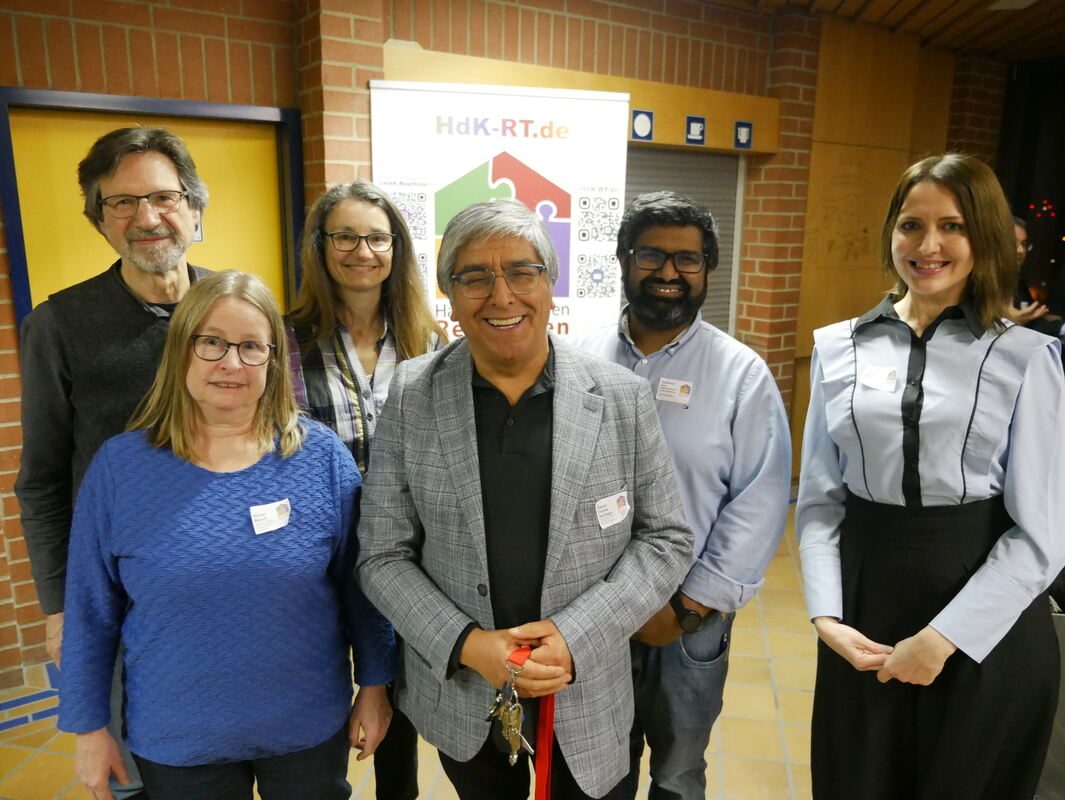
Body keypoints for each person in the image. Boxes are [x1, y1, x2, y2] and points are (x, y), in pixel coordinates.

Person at [356, 199, 694, 799]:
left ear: (550, 284)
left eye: (522, 272)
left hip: (586, 697)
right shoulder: (413, 394)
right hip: (465, 697)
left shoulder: (621, 396)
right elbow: (382, 555)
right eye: (475, 277)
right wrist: (467, 644)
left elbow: (666, 539)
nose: (502, 295)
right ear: (449, 295)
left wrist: (575, 635)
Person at [57, 271, 396, 800]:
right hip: (177, 734)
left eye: (251, 347)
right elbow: (88, 613)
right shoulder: (120, 470)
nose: (231, 363)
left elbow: (362, 590)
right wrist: (88, 729)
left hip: (305, 725)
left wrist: (375, 687)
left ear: (274, 361)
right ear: (181, 349)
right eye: (211, 342)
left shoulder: (322, 459)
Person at [797, 153, 1065, 799]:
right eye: (911, 225)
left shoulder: (1027, 358)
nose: (927, 246)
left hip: (986, 621)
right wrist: (826, 617)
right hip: (864, 613)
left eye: (952, 226)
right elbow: (820, 503)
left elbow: (1043, 532)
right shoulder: (837, 347)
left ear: (984, 237)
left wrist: (944, 639)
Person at [15, 126, 213, 800]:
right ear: (99, 220)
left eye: (162, 197)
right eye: (121, 202)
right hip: (120, 604)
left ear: (194, 207)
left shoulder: (236, 307)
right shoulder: (60, 326)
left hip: (231, 587)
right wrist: (59, 609)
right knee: (135, 777)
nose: (146, 218)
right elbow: (42, 481)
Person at [577, 190, 791, 799]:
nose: (669, 272)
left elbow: (759, 503)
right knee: (596, 771)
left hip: (687, 620)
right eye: (651, 255)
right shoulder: (579, 359)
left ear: (707, 269)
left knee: (676, 774)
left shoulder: (742, 375)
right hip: (591, 613)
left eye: (688, 259)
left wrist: (687, 608)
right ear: (624, 260)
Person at [286, 179, 443, 799]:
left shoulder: (426, 341)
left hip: (405, 550)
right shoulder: (286, 340)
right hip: (319, 549)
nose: (362, 251)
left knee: (398, 697)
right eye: (345, 237)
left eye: (378, 238)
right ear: (320, 246)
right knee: (323, 690)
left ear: (396, 248)